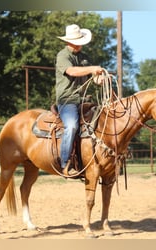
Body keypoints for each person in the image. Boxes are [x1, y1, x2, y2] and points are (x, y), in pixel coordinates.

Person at [55, 24, 103, 177]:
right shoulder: (63, 56)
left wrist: (100, 78)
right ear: (69, 41)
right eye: (77, 41)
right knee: (71, 126)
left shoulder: (84, 58)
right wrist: (91, 69)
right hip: (67, 100)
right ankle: (64, 163)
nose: (80, 44)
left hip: (84, 100)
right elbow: (72, 71)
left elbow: (93, 77)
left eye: (80, 41)